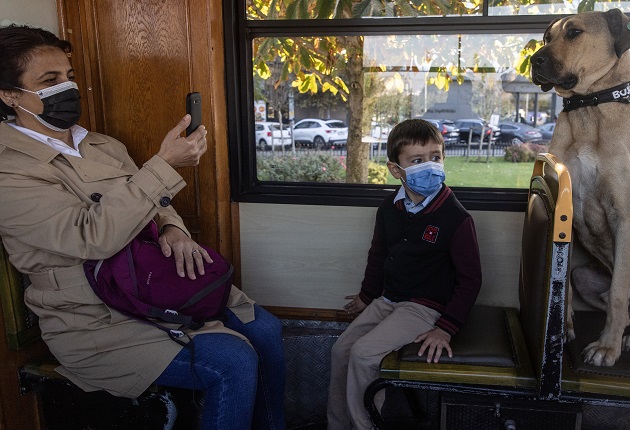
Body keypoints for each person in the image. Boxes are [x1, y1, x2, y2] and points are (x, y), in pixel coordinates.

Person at [0, 25, 285, 430]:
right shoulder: (9, 169)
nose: (67, 88)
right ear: (10, 95)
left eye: (69, 76)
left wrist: (174, 230)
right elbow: (90, 236)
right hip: (94, 317)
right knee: (232, 362)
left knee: (266, 329)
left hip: (154, 279)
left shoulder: (102, 145)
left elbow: (157, 204)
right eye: (49, 81)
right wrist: (164, 165)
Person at [327, 119, 483, 430]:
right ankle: (337, 424)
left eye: (435, 157)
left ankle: (364, 426)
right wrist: (366, 297)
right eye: (417, 160)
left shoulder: (455, 217)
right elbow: (379, 256)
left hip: (425, 308)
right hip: (388, 300)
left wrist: (445, 329)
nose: (430, 166)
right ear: (396, 170)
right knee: (341, 350)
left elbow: (471, 280)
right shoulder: (389, 208)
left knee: (363, 354)